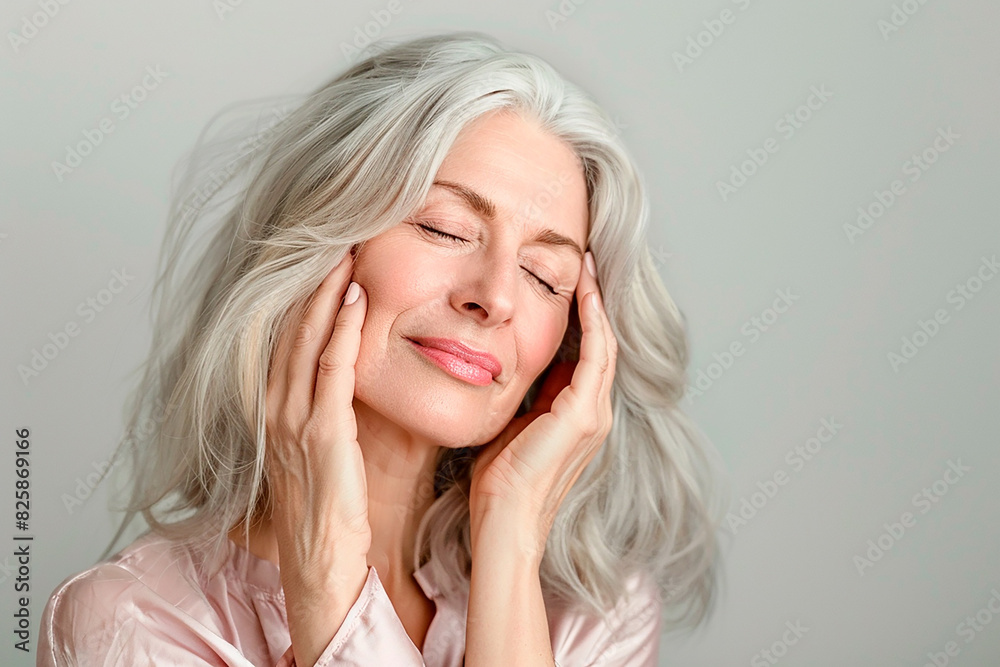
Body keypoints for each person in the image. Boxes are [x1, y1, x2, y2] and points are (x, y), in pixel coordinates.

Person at [38, 31, 724, 666]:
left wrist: (511, 536)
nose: (496, 296)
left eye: (546, 276)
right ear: (320, 241)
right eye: (447, 228)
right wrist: (324, 572)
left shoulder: (594, 616)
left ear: (570, 345)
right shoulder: (134, 621)